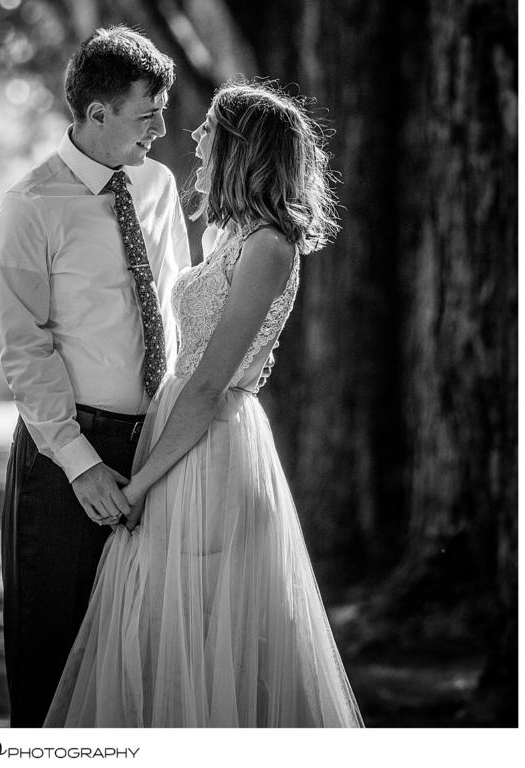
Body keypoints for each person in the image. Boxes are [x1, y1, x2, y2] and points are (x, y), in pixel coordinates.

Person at [44, 79, 364, 728]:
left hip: (211, 443)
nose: (195, 136)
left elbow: (211, 383)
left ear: (242, 147)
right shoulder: (229, 233)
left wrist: (137, 488)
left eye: (210, 128)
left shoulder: (269, 245)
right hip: (183, 428)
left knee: (197, 625)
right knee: (168, 625)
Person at [0, 26, 191, 727]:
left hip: (159, 447)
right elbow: (22, 348)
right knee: (52, 670)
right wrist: (80, 464)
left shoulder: (159, 186)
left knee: (141, 670)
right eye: (145, 115)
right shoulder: (29, 207)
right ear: (94, 113)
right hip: (67, 459)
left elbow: (175, 302)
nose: (160, 131)